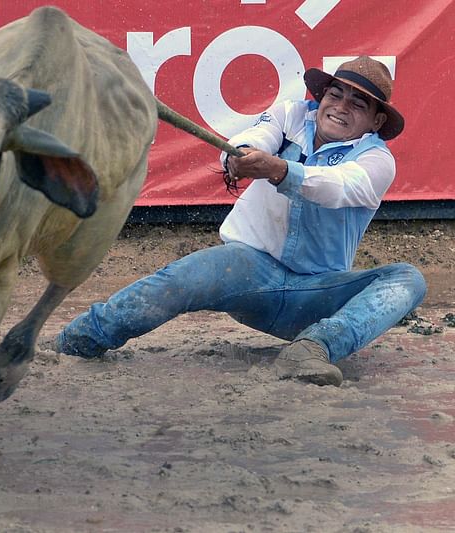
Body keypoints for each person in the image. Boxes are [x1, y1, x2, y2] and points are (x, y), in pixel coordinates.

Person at [47, 56, 426, 386]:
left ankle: (316, 347)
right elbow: (254, 136)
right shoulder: (291, 113)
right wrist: (239, 156)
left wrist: (278, 170)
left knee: (408, 278)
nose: (340, 107)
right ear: (321, 97)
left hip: (316, 294)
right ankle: (74, 342)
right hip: (248, 269)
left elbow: (338, 186)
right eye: (335, 95)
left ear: (377, 120)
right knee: (175, 281)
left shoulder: (378, 161)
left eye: (357, 103)